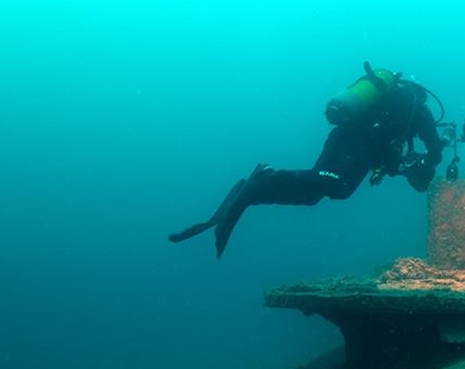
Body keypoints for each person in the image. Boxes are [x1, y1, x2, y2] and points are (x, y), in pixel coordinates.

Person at [169, 62, 445, 258]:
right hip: (358, 144)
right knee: (338, 186)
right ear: (421, 97)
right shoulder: (416, 110)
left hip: (341, 137)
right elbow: (432, 147)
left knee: (316, 193)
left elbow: (388, 156)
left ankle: (254, 192)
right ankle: (269, 177)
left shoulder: (391, 105)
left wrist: (400, 164)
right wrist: (430, 161)